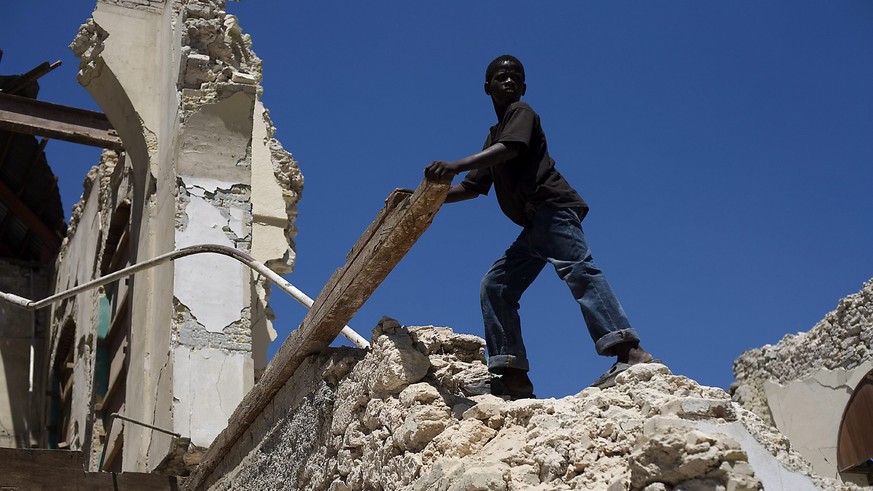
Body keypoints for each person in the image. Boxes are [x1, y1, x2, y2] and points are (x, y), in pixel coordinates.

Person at [424, 55, 654, 399]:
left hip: (554, 210)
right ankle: (512, 376)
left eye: (516, 77)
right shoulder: (493, 136)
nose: (509, 81)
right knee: (496, 286)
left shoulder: (523, 114)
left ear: (524, 87)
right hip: (535, 226)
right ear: (487, 87)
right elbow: (473, 187)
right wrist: (423, 198)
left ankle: (629, 352)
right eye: (501, 77)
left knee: (580, 271)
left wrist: (455, 164)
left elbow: (511, 149)